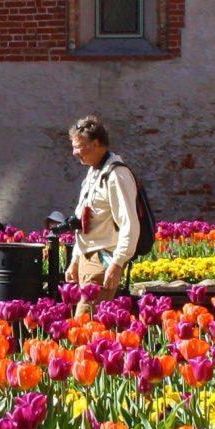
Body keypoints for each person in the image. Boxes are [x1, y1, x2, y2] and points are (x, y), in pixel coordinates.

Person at [65, 116, 142, 305]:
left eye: (79, 146)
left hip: (103, 260)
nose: (74, 153)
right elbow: (83, 221)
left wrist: (117, 263)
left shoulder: (116, 175)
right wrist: (75, 259)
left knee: (85, 326)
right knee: (84, 326)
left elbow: (129, 224)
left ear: (96, 143)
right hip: (87, 259)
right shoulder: (94, 171)